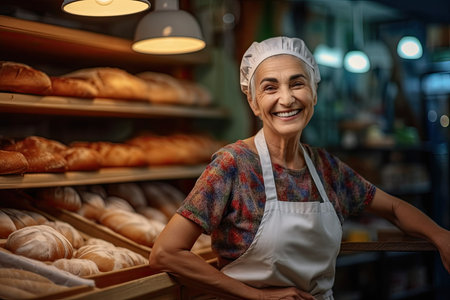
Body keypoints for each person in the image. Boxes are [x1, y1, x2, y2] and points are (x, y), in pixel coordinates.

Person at [149, 36, 450, 300]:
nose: (286, 98)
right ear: (254, 102)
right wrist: (258, 296)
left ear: (314, 94)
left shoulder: (327, 168)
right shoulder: (234, 165)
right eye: (270, 87)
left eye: (297, 83)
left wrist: (440, 235)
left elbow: (395, 208)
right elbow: (165, 253)